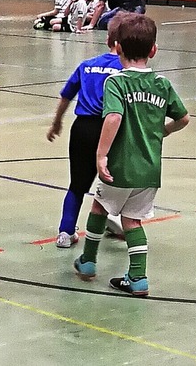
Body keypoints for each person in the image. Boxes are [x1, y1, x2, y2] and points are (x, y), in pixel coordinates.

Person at [74, 13, 189, 296]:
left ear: (118, 48)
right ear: (153, 50)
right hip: (149, 169)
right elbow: (184, 118)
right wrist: (166, 130)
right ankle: (138, 278)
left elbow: (113, 116)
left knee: (99, 207)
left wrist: (101, 156)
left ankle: (88, 261)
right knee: (133, 221)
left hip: (120, 166)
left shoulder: (117, 82)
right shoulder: (162, 84)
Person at [47, 15, 124, 247]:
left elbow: (66, 95)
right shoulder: (125, 70)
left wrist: (57, 122)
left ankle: (65, 232)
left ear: (108, 39)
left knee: (77, 184)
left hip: (81, 129)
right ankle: (115, 225)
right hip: (110, 130)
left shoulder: (86, 65)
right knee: (114, 183)